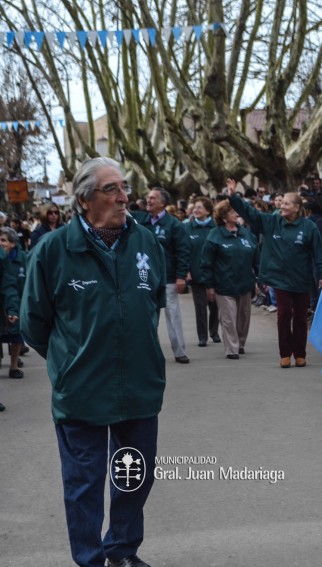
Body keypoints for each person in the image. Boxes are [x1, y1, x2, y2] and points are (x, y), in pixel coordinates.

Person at [21, 157, 166, 567]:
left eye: (124, 188)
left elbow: (152, 300)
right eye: (111, 189)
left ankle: (121, 550)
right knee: (84, 484)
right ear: (85, 200)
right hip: (81, 390)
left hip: (139, 384)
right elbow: (34, 323)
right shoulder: (52, 249)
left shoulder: (145, 243)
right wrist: (68, 362)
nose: (124, 197)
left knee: (133, 476)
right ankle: (90, 560)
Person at [227, 186, 322, 368]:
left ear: (297, 208)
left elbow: (318, 254)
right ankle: (285, 353)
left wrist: (321, 274)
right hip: (279, 279)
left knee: (300, 318)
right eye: (281, 203)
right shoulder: (272, 221)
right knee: (284, 314)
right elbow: (251, 214)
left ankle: (300, 353)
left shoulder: (308, 227)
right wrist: (234, 197)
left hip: (301, 279)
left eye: (287, 204)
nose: (281, 206)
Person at [133, 187, 192, 364]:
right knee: (146, 316)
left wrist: (181, 276)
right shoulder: (140, 220)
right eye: (148, 198)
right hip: (144, 277)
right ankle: (148, 352)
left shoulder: (174, 225)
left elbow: (183, 251)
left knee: (173, 315)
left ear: (162, 203)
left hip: (168, 278)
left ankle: (180, 351)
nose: (148, 201)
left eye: (152, 198)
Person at [199, 200, 259, 360]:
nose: (237, 214)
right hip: (223, 284)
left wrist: (259, 279)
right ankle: (231, 348)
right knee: (228, 318)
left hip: (245, 283)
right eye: (233, 212)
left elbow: (256, 257)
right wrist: (209, 286)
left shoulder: (246, 233)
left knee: (243, 317)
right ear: (224, 217)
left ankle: (240, 343)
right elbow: (206, 263)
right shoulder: (214, 236)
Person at [185, 197, 220, 347]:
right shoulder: (187, 228)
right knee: (200, 307)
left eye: (200, 207)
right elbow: (183, 251)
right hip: (196, 273)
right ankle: (202, 336)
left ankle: (214, 331)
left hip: (215, 274)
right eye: (195, 207)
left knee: (214, 305)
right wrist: (185, 270)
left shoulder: (216, 228)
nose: (196, 210)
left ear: (208, 210)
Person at [0, 227, 26, 378]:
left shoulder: (22, 258)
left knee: (16, 334)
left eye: (3, 240)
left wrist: (14, 309)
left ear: (13, 244)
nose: (0, 243)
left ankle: (14, 366)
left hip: (16, 302)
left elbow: (9, 286)